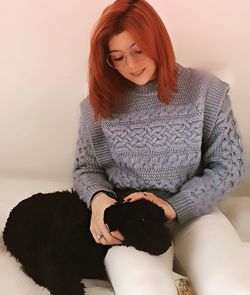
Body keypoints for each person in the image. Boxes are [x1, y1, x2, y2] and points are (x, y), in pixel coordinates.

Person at [73, 0, 248, 294]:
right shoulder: (98, 105)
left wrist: (172, 207)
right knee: (144, 288)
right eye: (117, 57)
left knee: (229, 285)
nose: (130, 65)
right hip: (132, 219)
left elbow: (230, 164)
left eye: (138, 50)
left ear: (157, 42)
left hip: (196, 210)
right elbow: (86, 168)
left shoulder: (205, 90)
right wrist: (99, 199)